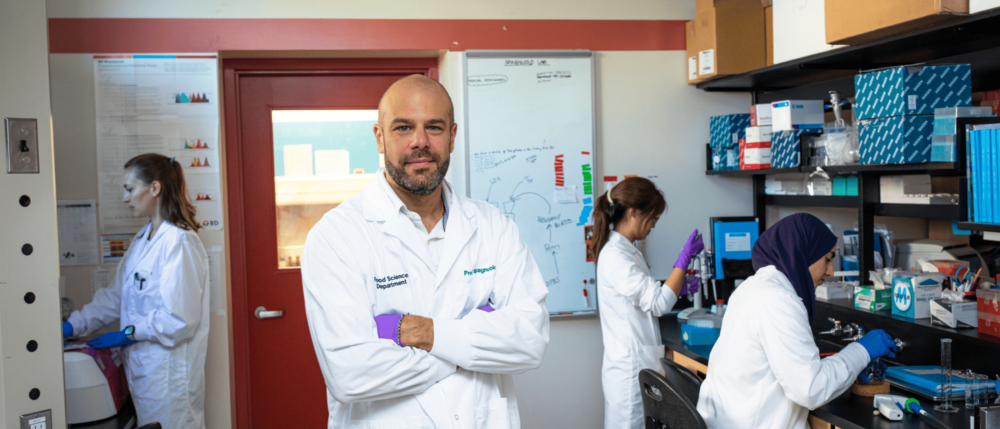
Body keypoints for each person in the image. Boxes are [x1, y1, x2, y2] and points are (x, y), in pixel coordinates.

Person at [301, 75, 549, 428]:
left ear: (452, 135)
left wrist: (427, 334)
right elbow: (351, 373)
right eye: (403, 127)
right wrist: (473, 344)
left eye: (434, 127)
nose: (420, 142)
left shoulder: (493, 226)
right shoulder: (337, 236)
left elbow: (530, 340)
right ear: (379, 137)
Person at [696, 213, 898, 428]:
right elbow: (811, 389)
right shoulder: (779, 300)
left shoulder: (752, 287)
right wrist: (862, 351)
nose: (830, 272)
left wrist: (852, 366)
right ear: (803, 255)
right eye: (827, 259)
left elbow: (792, 368)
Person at [62, 154, 210, 429]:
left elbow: (179, 320)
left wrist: (127, 334)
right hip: (145, 375)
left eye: (130, 189)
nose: (125, 198)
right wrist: (73, 325)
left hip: (170, 379)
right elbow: (115, 297)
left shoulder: (180, 242)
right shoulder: (143, 239)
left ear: (155, 188)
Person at [589, 177, 704, 429]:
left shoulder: (627, 250)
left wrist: (678, 287)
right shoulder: (616, 256)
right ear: (633, 212)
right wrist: (682, 262)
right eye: (653, 217)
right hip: (629, 372)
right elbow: (659, 303)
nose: (653, 225)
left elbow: (645, 297)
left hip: (637, 364)